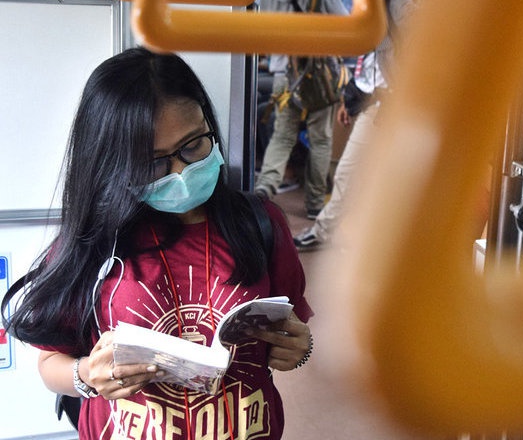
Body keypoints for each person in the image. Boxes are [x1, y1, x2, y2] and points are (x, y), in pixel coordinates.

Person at [2, 49, 314, 440]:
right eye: (154, 163)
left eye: (193, 145)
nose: (182, 173)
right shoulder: (95, 242)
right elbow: (51, 362)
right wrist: (86, 376)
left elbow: (291, 326)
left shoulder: (260, 224)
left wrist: (298, 347)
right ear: (115, 164)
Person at [293, 0, 415, 249]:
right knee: (348, 172)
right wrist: (352, 102)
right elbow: (369, 66)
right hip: (371, 105)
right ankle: (323, 232)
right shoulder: (366, 12)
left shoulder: (397, 6)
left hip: (397, 107)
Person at [255, 0, 347, 219]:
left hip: (284, 77)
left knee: (282, 136)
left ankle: (265, 189)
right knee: (321, 140)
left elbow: (262, 32)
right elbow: (347, 30)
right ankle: (315, 203)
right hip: (318, 80)